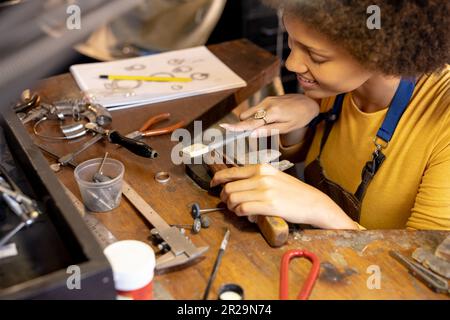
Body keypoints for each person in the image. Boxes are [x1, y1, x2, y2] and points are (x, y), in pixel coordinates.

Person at [211, 0, 449, 230]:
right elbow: (305, 157)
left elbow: (423, 267)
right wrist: (300, 123)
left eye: (316, 57)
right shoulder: (336, 86)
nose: (292, 64)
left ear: (381, 51)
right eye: (292, 43)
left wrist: (321, 210)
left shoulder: (442, 121)